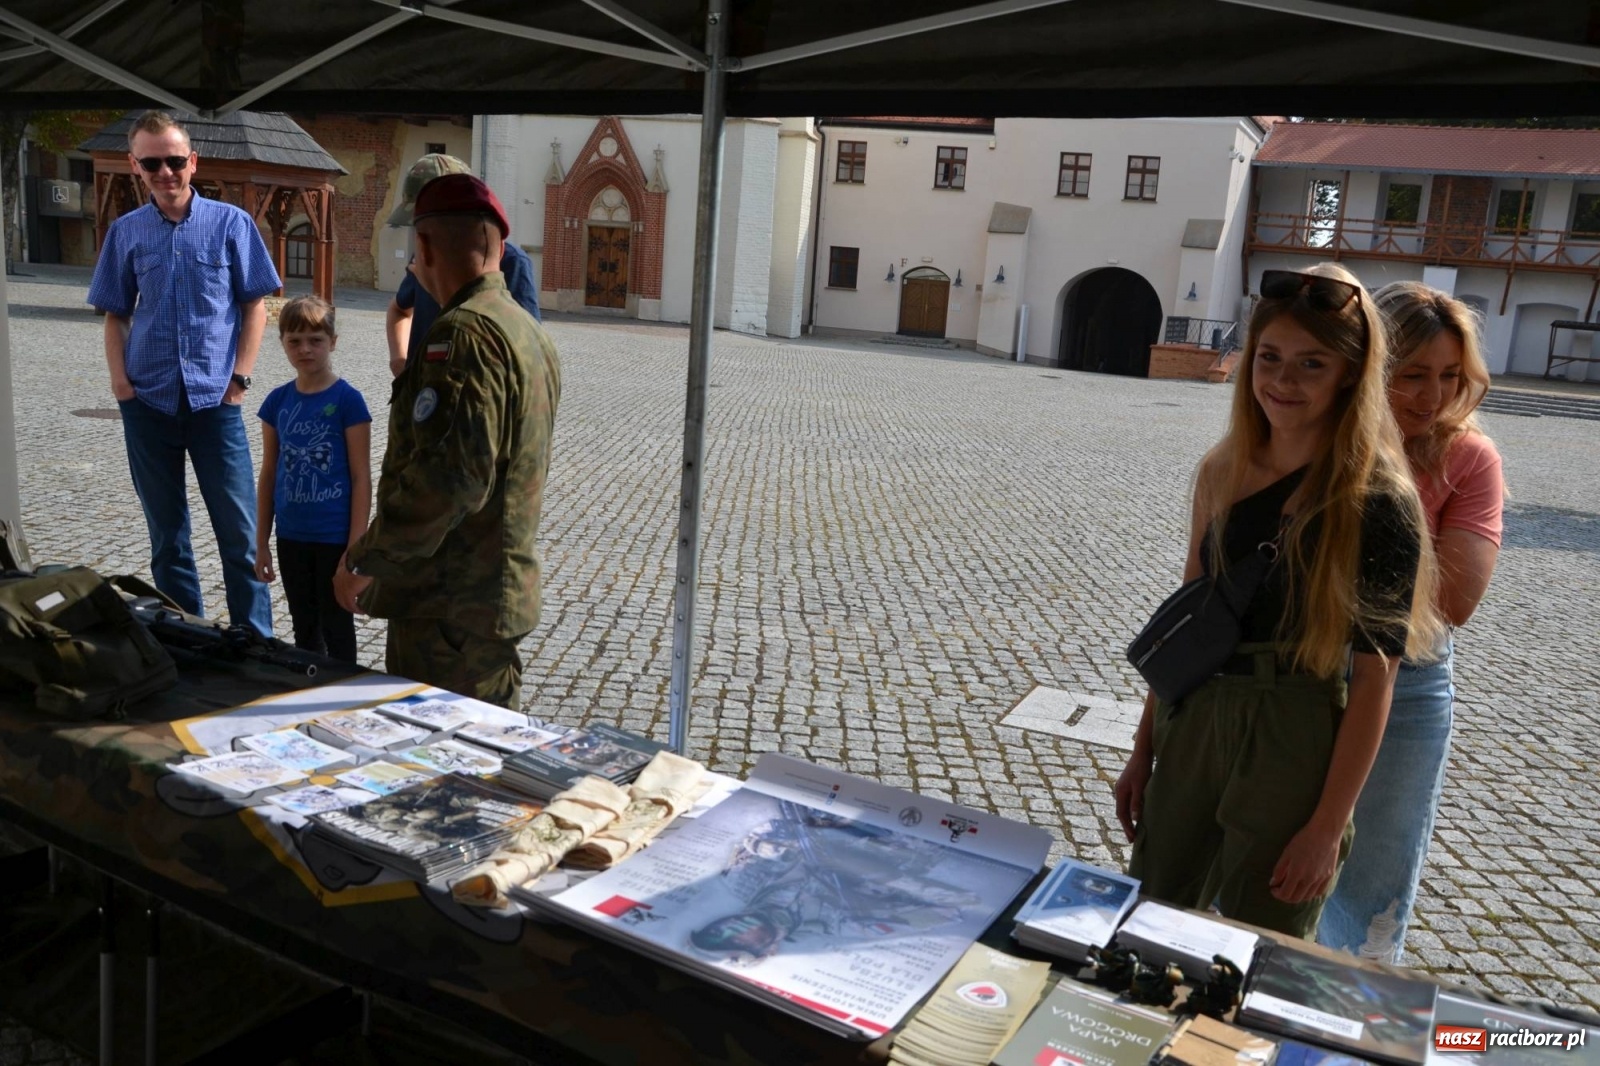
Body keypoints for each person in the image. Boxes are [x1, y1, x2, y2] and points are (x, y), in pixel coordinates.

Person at [1113, 264, 1443, 939]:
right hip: (1196, 717)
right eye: (1269, 358)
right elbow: (1188, 621)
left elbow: (1376, 677)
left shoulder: (1378, 501)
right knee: (1149, 916)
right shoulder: (1222, 468)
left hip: (1294, 729)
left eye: (1311, 364)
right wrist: (1142, 750)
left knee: (1264, 945)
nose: (1283, 381)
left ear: (1351, 374)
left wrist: (1327, 828)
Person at [1318, 283, 1503, 961]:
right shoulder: (1318, 441)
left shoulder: (1469, 458)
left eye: (1452, 377)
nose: (1433, 398)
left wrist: (1389, 489)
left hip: (1410, 685)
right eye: (1413, 374)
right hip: (1302, 666)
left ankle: (1346, 1020)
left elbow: (1455, 603)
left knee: (1373, 875)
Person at [334, 174, 561, 708]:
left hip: (449, 607)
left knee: (442, 768)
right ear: (500, 247)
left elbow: (450, 482)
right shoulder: (526, 330)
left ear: (426, 248)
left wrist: (365, 560)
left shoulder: (461, 335)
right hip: (487, 597)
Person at [88, 109, 282, 636]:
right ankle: (185, 641)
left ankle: (255, 644)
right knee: (168, 539)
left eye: (175, 160)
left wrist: (238, 381)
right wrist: (120, 385)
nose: (165, 172)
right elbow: (115, 311)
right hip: (147, 404)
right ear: (136, 166)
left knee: (239, 535)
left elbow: (255, 305)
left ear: (193, 161)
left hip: (214, 404)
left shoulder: (231, 224)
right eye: (152, 162)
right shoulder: (126, 233)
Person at [254, 297, 373, 663]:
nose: (305, 348)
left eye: (315, 339)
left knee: (338, 626)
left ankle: (345, 699)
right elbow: (270, 472)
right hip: (292, 536)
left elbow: (361, 477)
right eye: (295, 340)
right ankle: (310, 696)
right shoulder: (277, 402)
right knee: (305, 628)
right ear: (283, 344)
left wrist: (354, 550)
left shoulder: (348, 401)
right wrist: (260, 542)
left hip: (333, 538)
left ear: (332, 342)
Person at [383, 154, 541, 377]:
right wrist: (400, 363)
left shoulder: (512, 263)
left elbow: (527, 354)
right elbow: (398, 309)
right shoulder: (423, 254)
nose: (422, 239)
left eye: (430, 226)